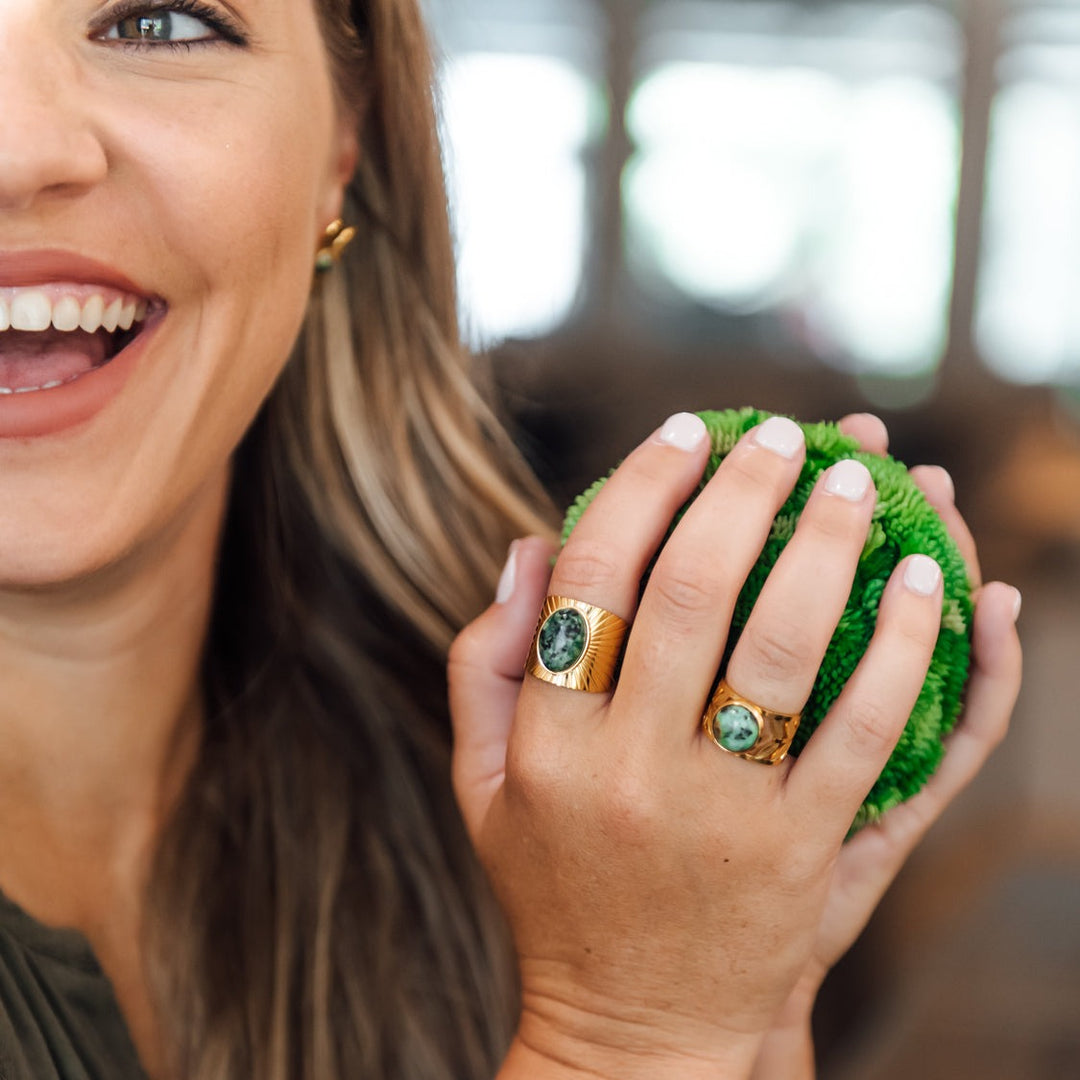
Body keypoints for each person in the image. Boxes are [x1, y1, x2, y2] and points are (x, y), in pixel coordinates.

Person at [0, 1, 1022, 1079]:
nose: (17, 150)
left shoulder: (530, 813)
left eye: (159, 23)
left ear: (344, 150)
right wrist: (623, 1037)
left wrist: (733, 990)